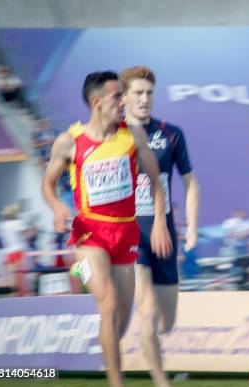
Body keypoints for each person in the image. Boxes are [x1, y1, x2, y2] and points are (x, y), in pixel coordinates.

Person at [42, 71, 172, 387]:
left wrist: (158, 222)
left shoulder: (134, 136)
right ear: (96, 102)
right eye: (118, 96)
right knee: (110, 303)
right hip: (89, 234)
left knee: (119, 318)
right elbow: (48, 182)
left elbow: (156, 182)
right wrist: (57, 206)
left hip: (126, 233)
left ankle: (109, 356)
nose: (124, 102)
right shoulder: (69, 141)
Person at [120, 65, 199, 387]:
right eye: (137, 93)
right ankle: (160, 380)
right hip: (130, 236)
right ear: (124, 97)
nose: (144, 99)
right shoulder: (114, 136)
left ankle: (142, 339)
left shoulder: (171, 133)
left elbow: (191, 183)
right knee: (148, 310)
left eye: (149, 93)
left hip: (165, 235)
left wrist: (191, 226)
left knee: (167, 320)